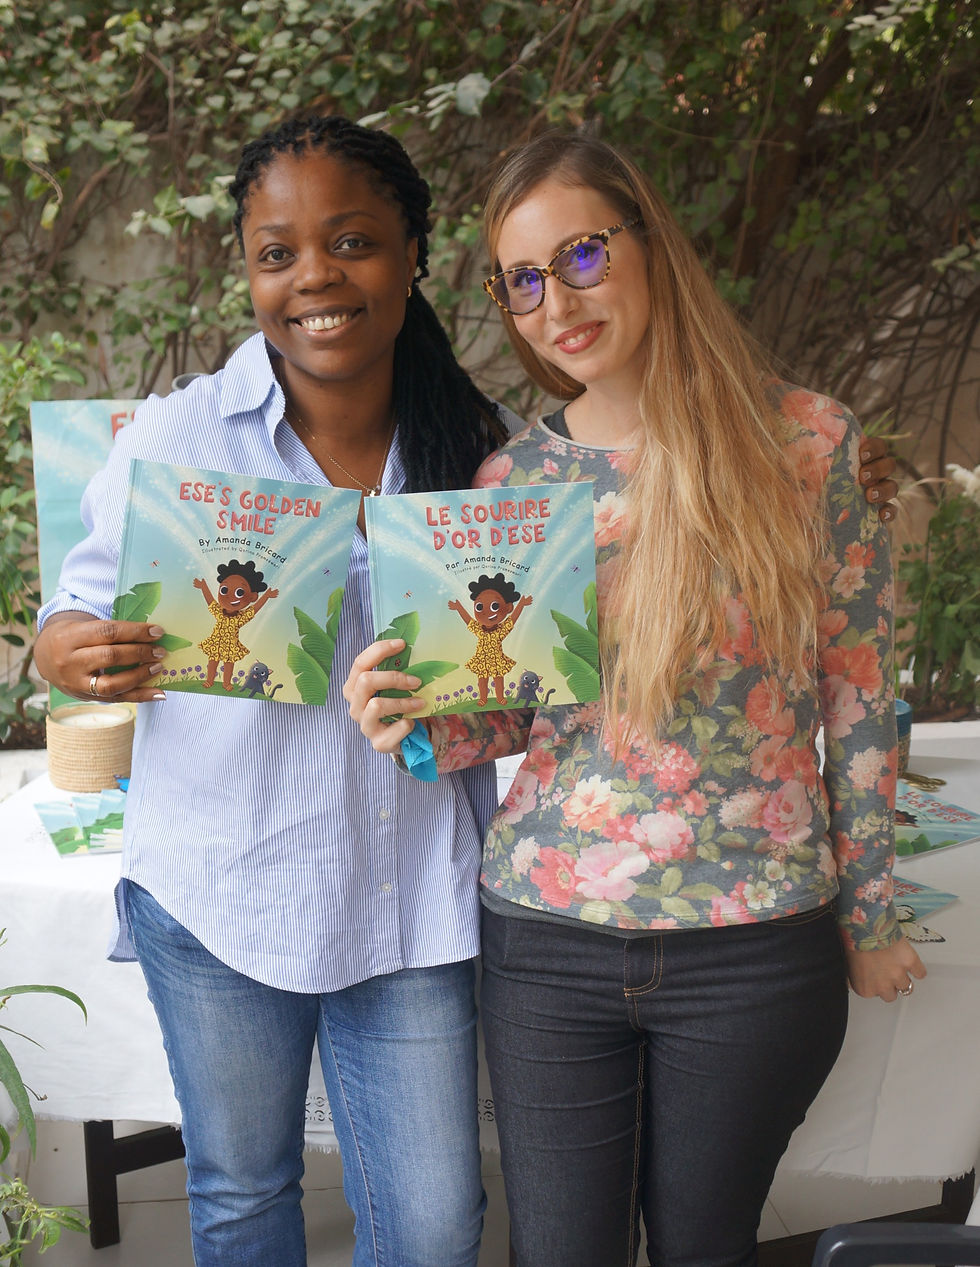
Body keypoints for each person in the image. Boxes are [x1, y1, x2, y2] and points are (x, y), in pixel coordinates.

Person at [343, 131, 924, 1267]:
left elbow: (856, 695)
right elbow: (507, 719)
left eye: (581, 257)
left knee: (702, 1245)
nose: (553, 301)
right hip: (543, 938)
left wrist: (868, 912)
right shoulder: (512, 482)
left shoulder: (805, 445)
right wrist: (410, 724)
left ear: (648, 243)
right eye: (520, 280)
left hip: (751, 946)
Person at [32, 115, 510, 1267]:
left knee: (437, 1226)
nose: (313, 279)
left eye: (349, 242)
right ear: (249, 272)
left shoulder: (473, 442)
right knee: (244, 1194)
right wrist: (71, 650)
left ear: (409, 256)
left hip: (412, 899)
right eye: (275, 253)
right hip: (223, 885)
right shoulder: (177, 433)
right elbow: (66, 615)